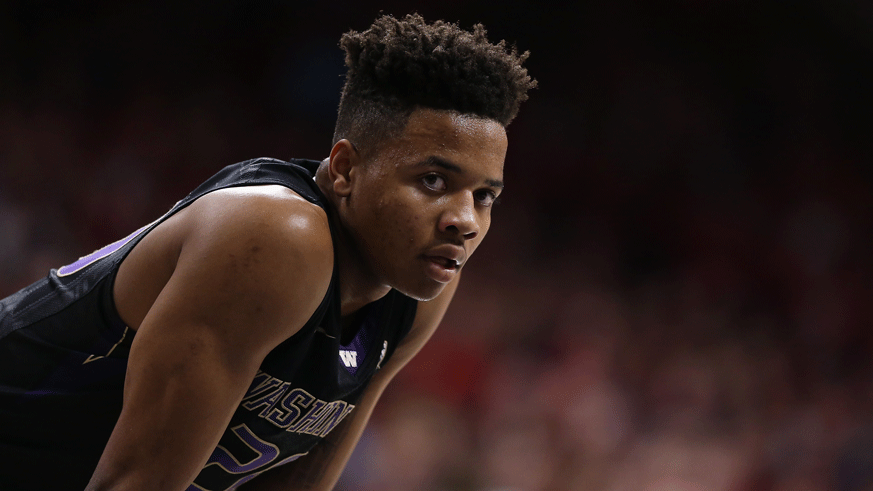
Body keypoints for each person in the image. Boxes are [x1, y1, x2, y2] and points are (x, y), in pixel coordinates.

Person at [0, 13, 535, 491]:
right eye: (434, 180)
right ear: (346, 168)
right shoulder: (276, 237)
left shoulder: (420, 285)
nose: (465, 221)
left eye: (485, 196)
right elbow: (134, 483)